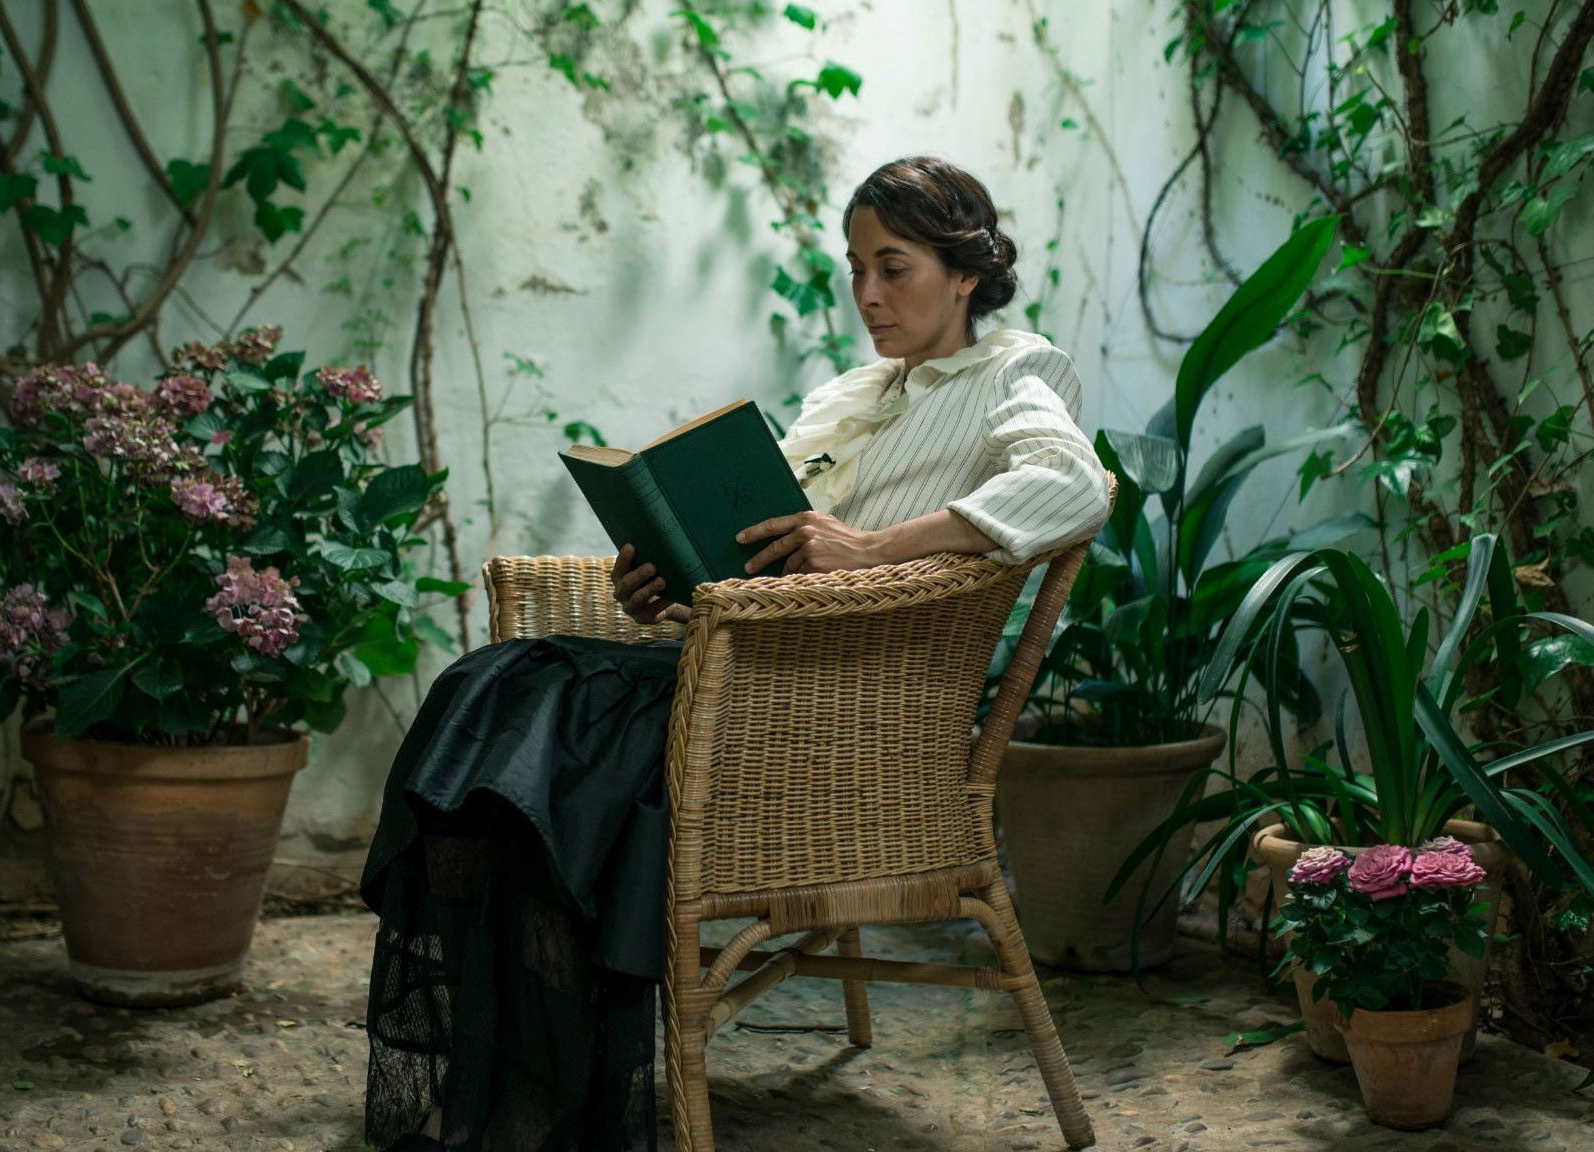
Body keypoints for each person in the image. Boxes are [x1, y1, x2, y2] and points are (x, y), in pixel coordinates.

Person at [358, 156, 1109, 1152]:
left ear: (965, 272)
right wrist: (663, 582)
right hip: (742, 678)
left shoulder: (1014, 372)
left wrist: (871, 547)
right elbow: (759, 556)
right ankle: (519, 1088)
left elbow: (1072, 488)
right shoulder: (849, 395)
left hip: (839, 712)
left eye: (894, 268)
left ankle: (537, 1098)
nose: (868, 295)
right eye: (856, 269)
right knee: (500, 698)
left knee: (540, 725)